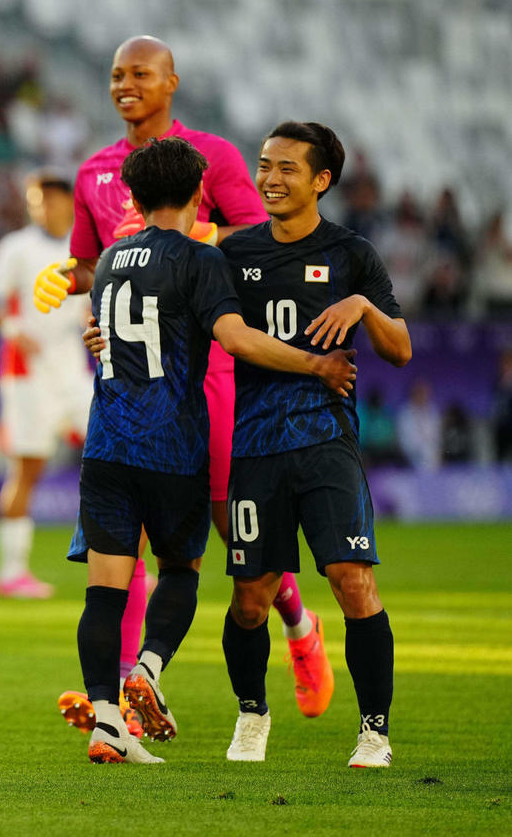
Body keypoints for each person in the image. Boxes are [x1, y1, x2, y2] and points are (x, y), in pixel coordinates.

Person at [35, 137, 355, 764]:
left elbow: (109, 335)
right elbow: (234, 338)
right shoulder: (202, 260)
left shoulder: (107, 263)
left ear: (130, 196)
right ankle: (148, 671)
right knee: (180, 572)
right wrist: (315, 363)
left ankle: (107, 722)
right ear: (197, 194)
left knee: (105, 590)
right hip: (174, 447)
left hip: (106, 447)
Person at [217, 121, 411, 768]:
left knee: (351, 579)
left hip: (328, 440)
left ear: (321, 180)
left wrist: (361, 304)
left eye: (286, 169)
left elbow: (400, 348)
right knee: (251, 596)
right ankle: (252, 715)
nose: (269, 178)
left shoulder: (353, 253)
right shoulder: (235, 253)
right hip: (255, 447)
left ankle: (374, 731)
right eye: (264, 166)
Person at [0, 170, 92, 599]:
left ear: (66, 202)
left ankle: (126, 568)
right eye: (34, 200)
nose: (41, 207)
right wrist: (11, 328)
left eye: (49, 199)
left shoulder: (84, 249)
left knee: (118, 457)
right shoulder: (17, 247)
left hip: (73, 369)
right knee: (28, 469)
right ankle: (12, 572)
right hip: (28, 374)